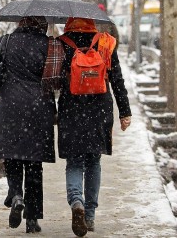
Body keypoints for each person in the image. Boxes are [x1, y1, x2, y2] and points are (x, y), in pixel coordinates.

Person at [0, 16, 56, 233]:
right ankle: (32, 219)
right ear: (42, 25)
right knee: (34, 164)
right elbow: (57, 76)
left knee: (13, 157)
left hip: (10, 107)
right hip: (39, 107)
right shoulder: (48, 45)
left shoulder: (6, 41)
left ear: (21, 22)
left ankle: (16, 195)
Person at [57, 17, 132, 237]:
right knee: (93, 161)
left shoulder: (62, 43)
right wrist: (125, 111)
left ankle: (76, 201)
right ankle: (89, 215)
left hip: (71, 107)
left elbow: (55, 79)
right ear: (91, 22)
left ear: (70, 22)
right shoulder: (105, 42)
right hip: (99, 108)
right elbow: (117, 79)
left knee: (74, 160)